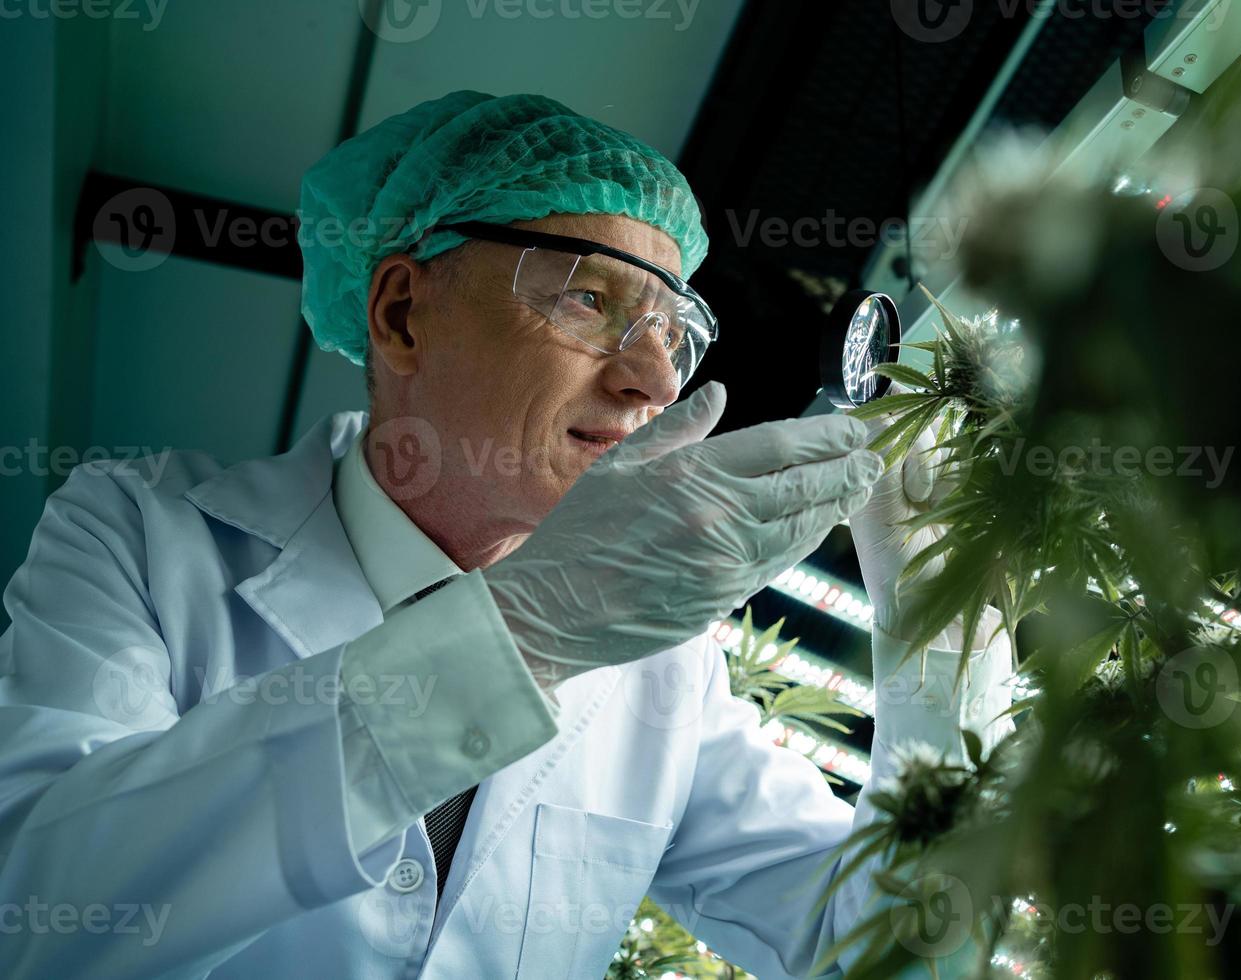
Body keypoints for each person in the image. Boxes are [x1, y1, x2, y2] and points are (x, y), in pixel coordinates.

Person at [0, 91, 1012, 979]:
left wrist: (941, 637)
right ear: (402, 311)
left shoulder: (668, 676)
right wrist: (527, 630)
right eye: (590, 297)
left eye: (674, 330)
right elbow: (34, 918)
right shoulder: (142, 534)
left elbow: (895, 952)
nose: (656, 381)